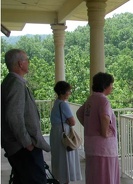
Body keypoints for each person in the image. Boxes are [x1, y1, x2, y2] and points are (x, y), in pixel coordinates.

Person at [1, 48, 51, 183]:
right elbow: (14, 116)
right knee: (36, 180)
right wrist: (27, 142)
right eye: (27, 60)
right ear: (20, 64)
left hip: (19, 146)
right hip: (22, 147)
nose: (28, 63)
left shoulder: (10, 81)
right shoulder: (15, 83)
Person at [76, 72, 120, 184]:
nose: (112, 87)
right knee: (105, 176)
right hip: (103, 148)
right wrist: (105, 132)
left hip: (91, 145)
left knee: (94, 176)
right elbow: (105, 116)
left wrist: (89, 125)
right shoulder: (103, 100)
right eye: (111, 84)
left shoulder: (91, 99)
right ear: (105, 85)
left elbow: (79, 113)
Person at [50, 81, 82, 184]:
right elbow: (72, 122)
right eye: (68, 91)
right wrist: (68, 121)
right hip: (63, 133)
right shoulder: (63, 105)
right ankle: (65, 180)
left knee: (58, 157)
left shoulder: (57, 103)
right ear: (63, 92)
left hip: (56, 131)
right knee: (66, 157)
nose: (70, 92)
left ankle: (61, 178)